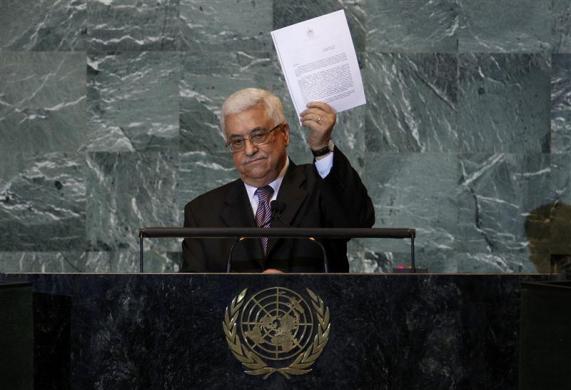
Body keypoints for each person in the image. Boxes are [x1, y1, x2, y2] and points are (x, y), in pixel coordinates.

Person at [181, 88, 374, 273]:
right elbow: (192, 293)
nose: (249, 150)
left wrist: (321, 147)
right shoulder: (202, 214)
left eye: (258, 135)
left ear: (284, 134)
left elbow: (358, 221)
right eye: (238, 141)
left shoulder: (320, 187)